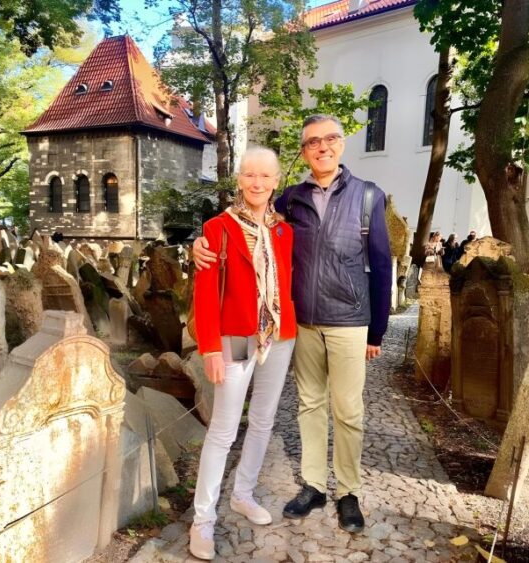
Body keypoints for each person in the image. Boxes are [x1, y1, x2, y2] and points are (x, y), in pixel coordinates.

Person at [194, 114, 392, 534]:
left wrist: (377, 330)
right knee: (305, 407)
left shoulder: (368, 197)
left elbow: (380, 264)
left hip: (341, 321)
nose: (322, 147)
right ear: (303, 153)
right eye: (312, 142)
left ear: (341, 144)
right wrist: (197, 245)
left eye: (330, 139)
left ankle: (348, 492)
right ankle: (311, 486)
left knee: (346, 410)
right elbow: (225, 254)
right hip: (285, 327)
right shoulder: (288, 202)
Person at [189, 147, 297, 560]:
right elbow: (204, 290)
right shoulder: (217, 228)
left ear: (274, 183)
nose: (256, 182)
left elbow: (287, 282)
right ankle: (203, 521)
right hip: (233, 338)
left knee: (264, 420)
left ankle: (243, 494)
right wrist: (210, 348)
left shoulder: (286, 232)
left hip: (279, 336)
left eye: (264, 176)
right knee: (222, 430)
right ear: (239, 180)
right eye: (249, 175)